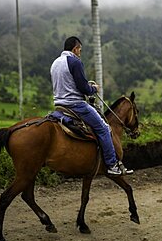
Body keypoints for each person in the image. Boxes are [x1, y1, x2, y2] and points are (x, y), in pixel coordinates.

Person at [50, 36, 123, 176]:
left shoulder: (55, 63)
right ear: (75, 48)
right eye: (80, 50)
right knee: (104, 128)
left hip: (59, 106)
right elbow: (83, 88)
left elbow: (69, 84)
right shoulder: (75, 62)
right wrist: (94, 88)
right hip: (75, 105)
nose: (80, 53)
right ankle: (112, 164)